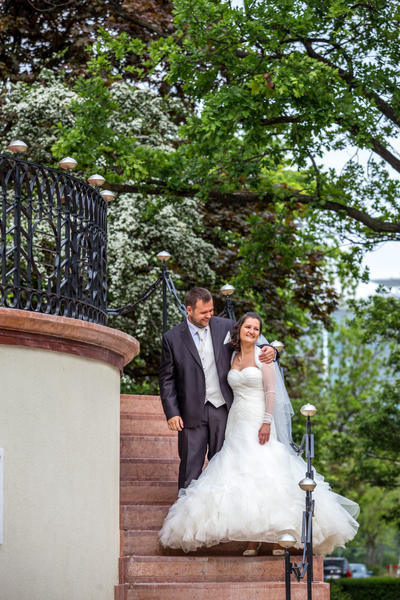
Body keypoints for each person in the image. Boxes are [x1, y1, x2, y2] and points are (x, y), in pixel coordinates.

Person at [159, 312, 359, 556]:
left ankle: (279, 539)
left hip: (258, 419)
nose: (252, 331)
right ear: (239, 329)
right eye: (248, 327)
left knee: (266, 473)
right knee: (242, 474)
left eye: (256, 328)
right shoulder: (231, 354)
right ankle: (252, 540)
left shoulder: (263, 356)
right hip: (236, 420)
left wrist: (266, 422)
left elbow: (271, 393)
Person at [159, 288, 275, 490]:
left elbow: (251, 341)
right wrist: (172, 412)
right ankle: (186, 508)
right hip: (190, 411)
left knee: (223, 466)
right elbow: (166, 379)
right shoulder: (172, 338)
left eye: (211, 310)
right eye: (204, 312)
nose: (209, 315)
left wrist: (272, 351)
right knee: (190, 465)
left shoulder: (226, 327)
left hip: (224, 410)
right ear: (189, 310)